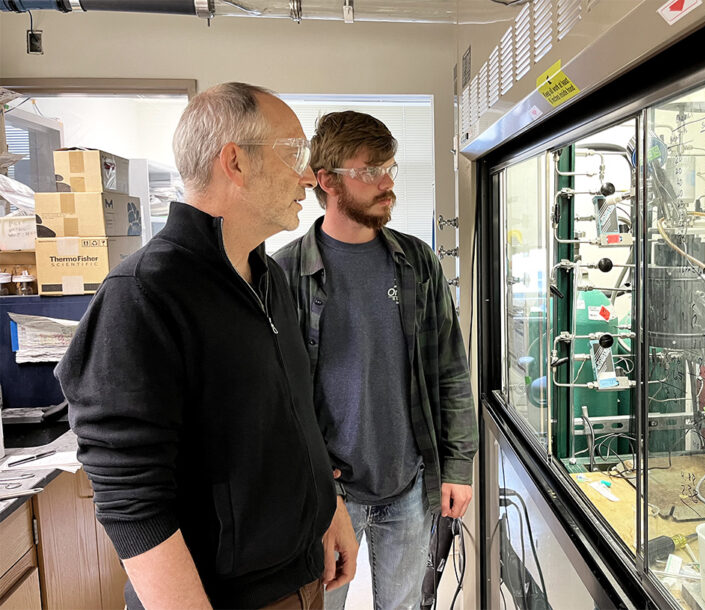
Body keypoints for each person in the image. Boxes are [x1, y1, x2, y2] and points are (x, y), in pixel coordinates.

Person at [56, 82, 357, 609]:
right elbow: (131, 501)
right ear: (235, 162)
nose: (309, 177)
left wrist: (328, 508)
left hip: (303, 574)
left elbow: (291, 418)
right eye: (294, 154)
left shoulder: (269, 278)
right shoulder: (144, 295)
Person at [273, 111, 478, 610]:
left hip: (408, 484)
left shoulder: (418, 263)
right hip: (329, 493)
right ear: (327, 181)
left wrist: (458, 464)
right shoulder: (284, 274)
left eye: (390, 167)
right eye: (369, 172)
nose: (386, 183)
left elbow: (450, 368)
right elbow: (280, 401)